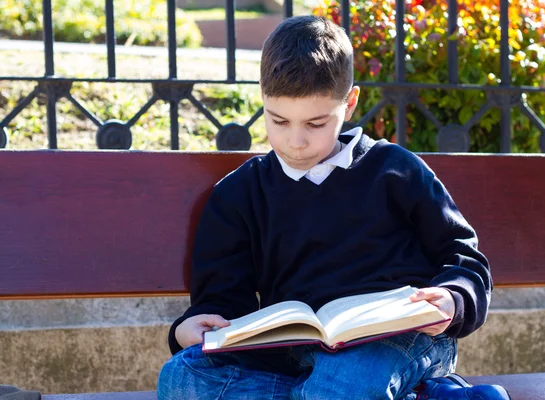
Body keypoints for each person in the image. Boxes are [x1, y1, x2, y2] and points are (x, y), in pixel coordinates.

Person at [157, 15, 510, 400]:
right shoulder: (238, 195)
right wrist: (189, 329)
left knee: (342, 384)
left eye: (315, 123)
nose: (295, 141)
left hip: (399, 338)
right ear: (262, 98)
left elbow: (465, 260)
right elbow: (223, 304)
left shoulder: (396, 170)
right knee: (182, 379)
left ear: (350, 102)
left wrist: (452, 300)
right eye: (278, 120)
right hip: (293, 351)